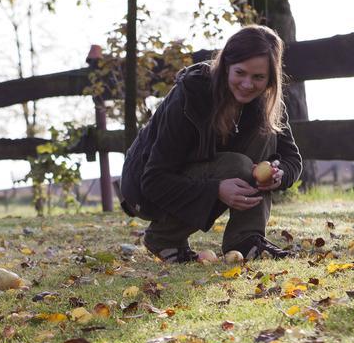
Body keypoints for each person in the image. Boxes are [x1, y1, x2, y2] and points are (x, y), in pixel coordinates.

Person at [120, 25, 303, 262]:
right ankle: (164, 237)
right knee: (238, 166)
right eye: (240, 73)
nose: (248, 84)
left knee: (266, 133)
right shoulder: (191, 95)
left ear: (270, 79)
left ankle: (246, 240)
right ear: (225, 65)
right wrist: (216, 190)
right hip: (144, 191)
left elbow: (292, 159)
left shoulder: (267, 101)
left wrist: (279, 173)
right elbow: (153, 181)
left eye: (258, 77)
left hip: (201, 175)